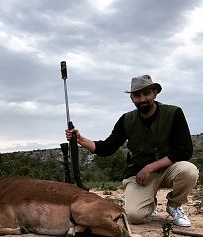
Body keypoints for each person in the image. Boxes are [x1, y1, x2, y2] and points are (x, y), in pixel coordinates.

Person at [66, 74, 199, 227]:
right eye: (137, 95)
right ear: (132, 98)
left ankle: (174, 205)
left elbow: (184, 150)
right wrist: (80, 138)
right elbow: (107, 148)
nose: (142, 99)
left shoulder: (174, 113)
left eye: (146, 93)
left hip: (168, 170)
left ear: (155, 93)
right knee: (135, 216)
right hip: (139, 175)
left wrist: (150, 167)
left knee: (189, 171)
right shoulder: (126, 120)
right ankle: (150, 204)